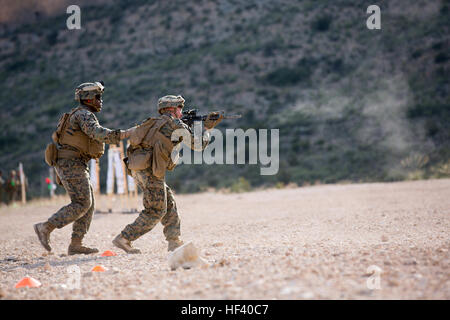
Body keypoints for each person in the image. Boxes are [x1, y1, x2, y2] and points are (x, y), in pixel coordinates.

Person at [34, 81, 136, 255]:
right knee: (82, 203)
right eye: (98, 97)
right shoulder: (83, 115)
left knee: (88, 204)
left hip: (75, 163)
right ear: (88, 99)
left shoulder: (82, 113)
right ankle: (46, 227)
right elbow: (98, 133)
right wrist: (126, 133)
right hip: (70, 163)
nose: (100, 101)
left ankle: (75, 244)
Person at [112, 95, 223, 253]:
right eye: (180, 108)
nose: (181, 111)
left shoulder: (153, 122)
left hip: (138, 168)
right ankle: (124, 238)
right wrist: (206, 129)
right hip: (150, 171)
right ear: (174, 109)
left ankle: (174, 241)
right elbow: (198, 145)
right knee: (156, 210)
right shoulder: (174, 123)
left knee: (168, 201)